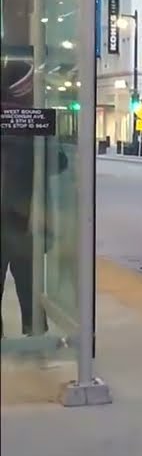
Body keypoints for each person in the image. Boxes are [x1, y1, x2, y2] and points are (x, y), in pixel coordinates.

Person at [1, 50, 45, 338]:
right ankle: (35, 329)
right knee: (27, 278)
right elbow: (57, 163)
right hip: (17, 217)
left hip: (15, 215)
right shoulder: (25, 126)